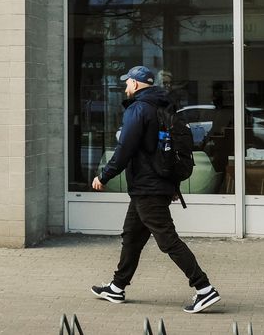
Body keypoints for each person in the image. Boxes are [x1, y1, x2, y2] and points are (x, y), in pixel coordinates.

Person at [90, 65, 221, 314]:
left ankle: (204, 289)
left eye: (127, 82)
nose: (126, 86)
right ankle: (117, 287)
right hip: (152, 185)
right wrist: (171, 184)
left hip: (147, 187)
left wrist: (103, 176)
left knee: (168, 240)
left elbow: (125, 149)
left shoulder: (139, 109)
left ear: (137, 84)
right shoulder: (164, 106)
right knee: (132, 236)